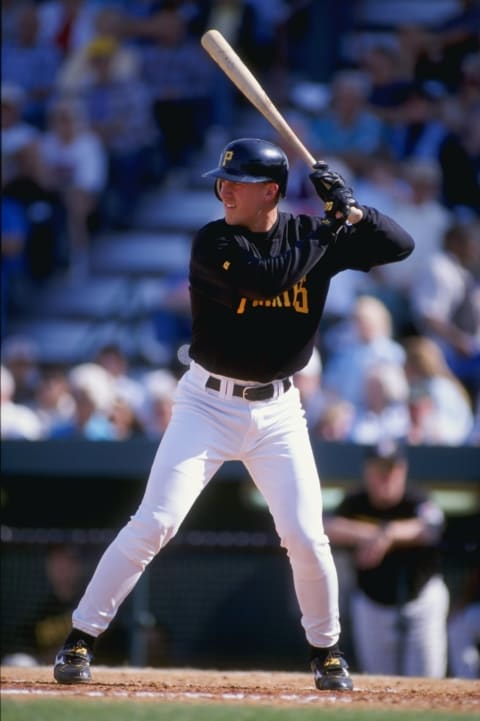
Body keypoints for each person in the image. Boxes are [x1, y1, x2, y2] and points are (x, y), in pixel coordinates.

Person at [52, 137, 414, 691]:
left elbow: (399, 245)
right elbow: (267, 277)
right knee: (156, 521)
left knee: (306, 535)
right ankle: (81, 637)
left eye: (237, 183)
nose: (223, 189)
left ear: (269, 191)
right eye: (223, 181)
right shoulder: (214, 240)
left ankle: (327, 651)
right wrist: (330, 227)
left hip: (280, 410)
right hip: (206, 403)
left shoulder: (309, 232)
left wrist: (355, 211)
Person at [324, 440, 449, 678]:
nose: (385, 477)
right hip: (373, 602)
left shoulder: (416, 499)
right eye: (378, 470)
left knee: (427, 679)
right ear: (367, 472)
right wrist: (373, 535)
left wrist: (388, 534)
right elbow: (326, 526)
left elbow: (432, 527)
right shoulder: (355, 501)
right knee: (379, 681)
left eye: (391, 470)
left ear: (402, 470)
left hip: (420, 601)